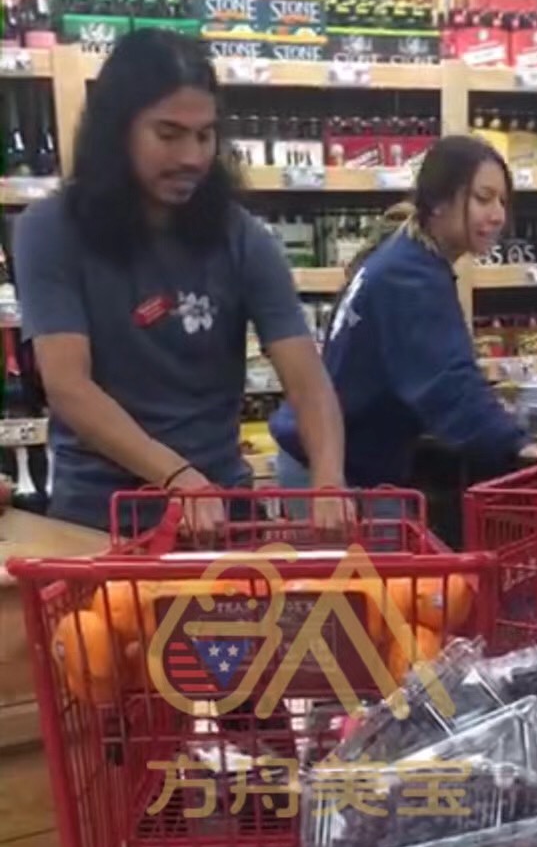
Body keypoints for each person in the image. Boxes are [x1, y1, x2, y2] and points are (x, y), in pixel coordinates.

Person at [14, 28, 344, 534]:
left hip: (223, 517)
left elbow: (306, 378)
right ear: (117, 132)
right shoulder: (50, 230)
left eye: (204, 135)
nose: (192, 157)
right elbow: (69, 386)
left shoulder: (242, 236)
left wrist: (328, 480)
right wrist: (177, 477)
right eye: (168, 135)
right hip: (100, 519)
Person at [271, 135, 537, 520]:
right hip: (334, 477)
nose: (498, 215)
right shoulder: (410, 277)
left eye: (502, 201)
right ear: (439, 201)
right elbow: (447, 383)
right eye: (483, 198)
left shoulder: (406, 257)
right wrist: (516, 443)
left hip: (329, 462)